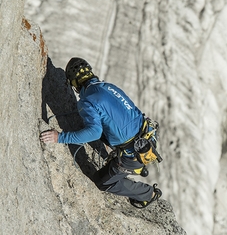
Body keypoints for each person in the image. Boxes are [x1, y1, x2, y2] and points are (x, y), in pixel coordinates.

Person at [40, 57, 162, 208]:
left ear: (74, 83)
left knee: (102, 182)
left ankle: (147, 194)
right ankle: (121, 159)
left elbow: (94, 133)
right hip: (147, 136)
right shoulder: (108, 86)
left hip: (133, 154)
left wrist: (60, 137)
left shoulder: (86, 101)